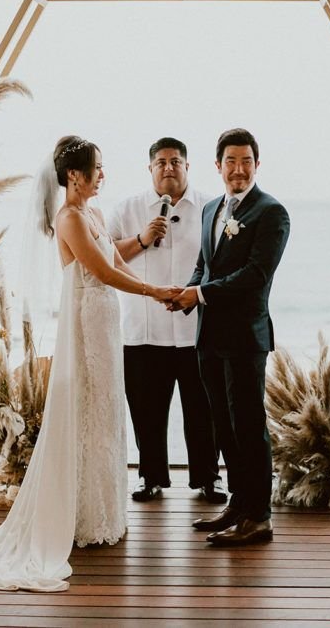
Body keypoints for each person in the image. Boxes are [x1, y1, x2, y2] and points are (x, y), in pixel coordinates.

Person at [0, 136, 179, 592]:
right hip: (87, 316)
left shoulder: (95, 214)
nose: (102, 175)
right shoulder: (67, 217)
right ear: (74, 175)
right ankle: (80, 517)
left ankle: (104, 511)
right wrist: (155, 292)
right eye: (97, 169)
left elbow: (112, 257)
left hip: (108, 318)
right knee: (86, 408)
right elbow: (100, 272)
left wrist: (142, 244)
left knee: (107, 410)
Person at [169, 128, 290, 547]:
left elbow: (255, 277)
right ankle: (239, 504)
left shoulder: (271, 213)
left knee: (248, 425)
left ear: (257, 164)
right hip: (209, 337)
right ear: (217, 165)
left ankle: (260, 516)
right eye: (231, 162)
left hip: (245, 338)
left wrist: (198, 293)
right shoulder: (209, 210)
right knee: (223, 424)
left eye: (246, 162)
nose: (238, 170)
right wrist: (185, 295)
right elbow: (205, 263)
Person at [107, 137, 224, 504]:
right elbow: (105, 256)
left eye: (176, 161)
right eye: (161, 161)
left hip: (197, 329)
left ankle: (208, 478)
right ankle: (150, 476)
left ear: (188, 166)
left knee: (203, 411)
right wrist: (142, 239)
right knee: (146, 411)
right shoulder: (127, 208)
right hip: (144, 330)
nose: (168, 167)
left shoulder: (211, 207)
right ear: (150, 168)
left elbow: (222, 259)